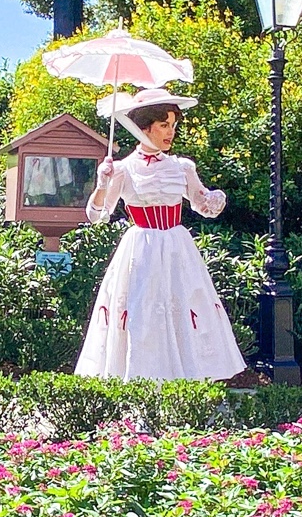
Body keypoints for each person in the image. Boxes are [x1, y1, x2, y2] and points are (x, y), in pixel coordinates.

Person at [75, 88, 246, 381]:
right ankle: (140, 380)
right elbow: (96, 215)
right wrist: (102, 184)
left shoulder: (181, 167)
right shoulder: (123, 170)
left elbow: (203, 205)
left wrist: (213, 198)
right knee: (142, 312)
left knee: (183, 310)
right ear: (144, 128)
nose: (171, 132)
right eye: (164, 125)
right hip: (141, 250)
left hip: (177, 249)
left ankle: (184, 382)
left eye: (173, 125)